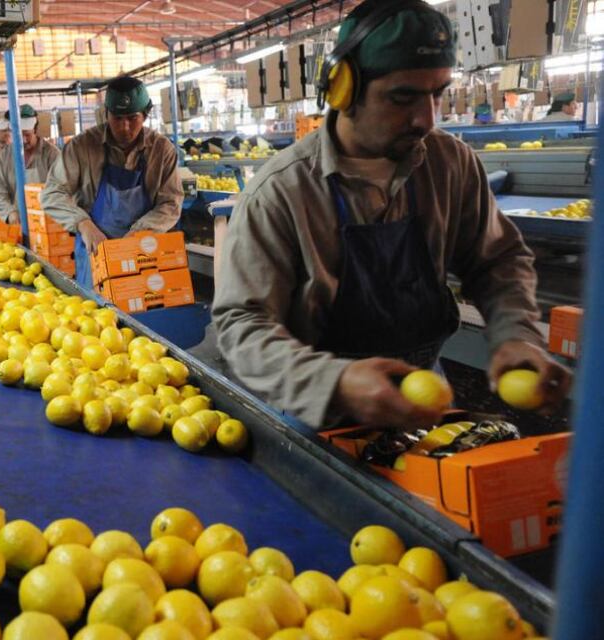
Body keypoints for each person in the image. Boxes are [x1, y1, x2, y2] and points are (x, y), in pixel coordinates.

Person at [213, 0, 571, 430]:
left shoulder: (450, 164)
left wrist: (516, 333)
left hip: (425, 397)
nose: (426, 119)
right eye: (403, 97)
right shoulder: (282, 191)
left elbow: (497, 260)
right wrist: (334, 382)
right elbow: (242, 325)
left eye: (436, 94)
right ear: (344, 90)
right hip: (315, 410)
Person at [41, 75, 183, 288]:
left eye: (132, 118)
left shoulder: (162, 150)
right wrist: (84, 224)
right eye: (117, 118)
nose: (125, 127)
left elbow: (171, 203)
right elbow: (52, 193)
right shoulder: (82, 147)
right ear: (106, 114)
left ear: (145, 115)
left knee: (144, 309)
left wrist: (139, 231)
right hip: (96, 253)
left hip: (144, 250)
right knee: (96, 314)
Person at [0, 104, 60, 224]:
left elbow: (63, 189)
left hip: (47, 223)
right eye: (19, 136)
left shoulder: (52, 154)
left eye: (27, 135)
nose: (24, 140)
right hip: (18, 223)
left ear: (35, 130)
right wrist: (9, 212)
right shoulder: (6, 156)